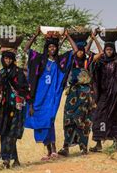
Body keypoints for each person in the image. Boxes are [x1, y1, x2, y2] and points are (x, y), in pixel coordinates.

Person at [24, 27, 78, 161]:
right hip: (39, 96)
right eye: (50, 47)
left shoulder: (61, 61)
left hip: (52, 96)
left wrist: (67, 36)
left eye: (54, 47)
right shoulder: (40, 60)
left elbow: (75, 51)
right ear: (47, 48)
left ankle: (54, 149)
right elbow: (26, 49)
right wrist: (35, 35)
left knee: (50, 119)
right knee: (41, 122)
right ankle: (48, 151)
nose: (52, 49)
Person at [58, 32, 101, 157]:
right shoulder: (71, 62)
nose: (80, 52)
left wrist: (94, 39)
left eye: (82, 50)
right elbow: (72, 50)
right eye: (78, 51)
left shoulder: (88, 61)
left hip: (85, 94)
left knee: (83, 120)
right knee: (68, 120)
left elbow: (101, 53)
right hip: (72, 93)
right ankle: (66, 147)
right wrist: (66, 37)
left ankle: (83, 148)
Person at [0, 50, 31, 168]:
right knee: (4, 133)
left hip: (17, 107)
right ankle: (15, 160)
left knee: (12, 134)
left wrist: (30, 105)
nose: (7, 61)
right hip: (4, 106)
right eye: (5, 58)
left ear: (13, 60)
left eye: (10, 59)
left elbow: (25, 90)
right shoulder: (1, 73)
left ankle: (6, 160)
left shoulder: (18, 72)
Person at [90, 34, 117, 152]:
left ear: (114, 50)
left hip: (115, 95)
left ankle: (116, 144)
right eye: (107, 49)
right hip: (104, 95)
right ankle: (99, 143)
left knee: (114, 118)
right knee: (98, 117)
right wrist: (94, 38)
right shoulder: (101, 62)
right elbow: (92, 65)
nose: (109, 51)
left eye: (111, 49)